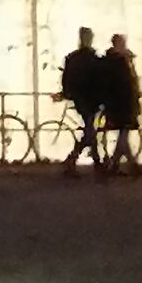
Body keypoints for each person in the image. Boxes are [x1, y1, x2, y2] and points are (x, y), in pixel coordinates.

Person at [59, 26, 104, 173]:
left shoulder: (73, 58)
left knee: (90, 129)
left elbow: (67, 78)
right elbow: (98, 79)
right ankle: (74, 158)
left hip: (81, 98)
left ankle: (96, 161)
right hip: (90, 99)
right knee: (90, 131)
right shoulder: (93, 58)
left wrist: (67, 93)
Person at [99, 34, 142, 175]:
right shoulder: (117, 62)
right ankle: (125, 164)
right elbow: (126, 83)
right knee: (124, 132)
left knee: (124, 133)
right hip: (122, 103)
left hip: (120, 103)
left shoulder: (115, 61)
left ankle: (119, 164)